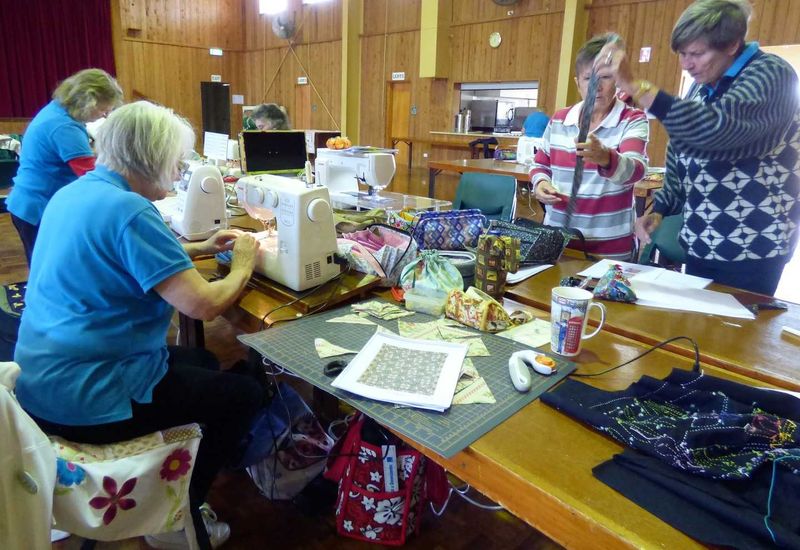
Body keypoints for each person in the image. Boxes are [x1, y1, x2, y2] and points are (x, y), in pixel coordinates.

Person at [13, 101, 263, 549]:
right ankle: (175, 516)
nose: (178, 169)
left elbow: (124, 257)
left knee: (202, 357)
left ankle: (180, 469)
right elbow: (203, 305)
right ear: (154, 158)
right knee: (244, 395)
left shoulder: (78, 192)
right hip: (87, 398)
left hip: (43, 382)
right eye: (176, 160)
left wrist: (201, 246)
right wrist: (242, 266)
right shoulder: (130, 210)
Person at [600, 0, 800, 295]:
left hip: (753, 246)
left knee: (734, 336)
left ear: (732, 45)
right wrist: (663, 208)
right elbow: (682, 151)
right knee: (697, 332)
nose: (686, 63)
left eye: (696, 54)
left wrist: (635, 85)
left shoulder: (771, 75)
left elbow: (716, 131)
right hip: (702, 240)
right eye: (682, 53)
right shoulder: (701, 86)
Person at [531, 34, 650, 260]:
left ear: (618, 80)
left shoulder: (632, 119)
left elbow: (637, 170)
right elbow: (540, 164)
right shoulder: (559, 120)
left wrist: (606, 158)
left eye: (605, 77)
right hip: (558, 243)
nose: (597, 87)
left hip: (611, 251)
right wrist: (541, 183)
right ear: (578, 83)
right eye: (589, 79)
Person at [7, 68, 124, 265]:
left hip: (27, 203)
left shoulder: (57, 110)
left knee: (43, 267)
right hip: (37, 207)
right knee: (49, 268)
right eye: (104, 109)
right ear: (89, 101)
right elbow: (92, 175)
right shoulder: (64, 126)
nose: (104, 115)